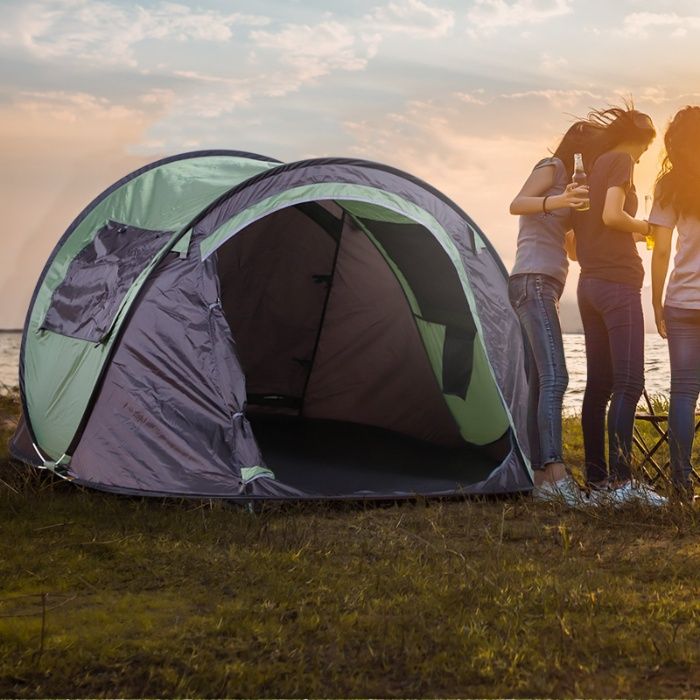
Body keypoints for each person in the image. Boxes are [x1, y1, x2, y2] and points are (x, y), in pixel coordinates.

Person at [572, 105, 666, 506]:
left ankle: (597, 483)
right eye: (647, 146)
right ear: (640, 139)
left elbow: (583, 232)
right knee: (629, 382)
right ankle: (623, 483)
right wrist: (646, 228)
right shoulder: (622, 160)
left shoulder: (592, 166)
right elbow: (613, 216)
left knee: (599, 386)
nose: (645, 156)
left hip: (589, 283)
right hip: (616, 283)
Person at [508, 123, 591, 504]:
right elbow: (517, 203)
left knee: (541, 382)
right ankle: (556, 474)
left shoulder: (571, 186)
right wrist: (560, 201)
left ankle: (540, 478)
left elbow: (570, 250)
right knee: (557, 376)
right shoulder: (552, 166)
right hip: (533, 281)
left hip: (546, 284)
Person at [650, 106, 700, 499]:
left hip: (681, 300)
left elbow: (661, 251)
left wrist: (655, 301)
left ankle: (680, 485)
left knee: (683, 392)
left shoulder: (668, 186)